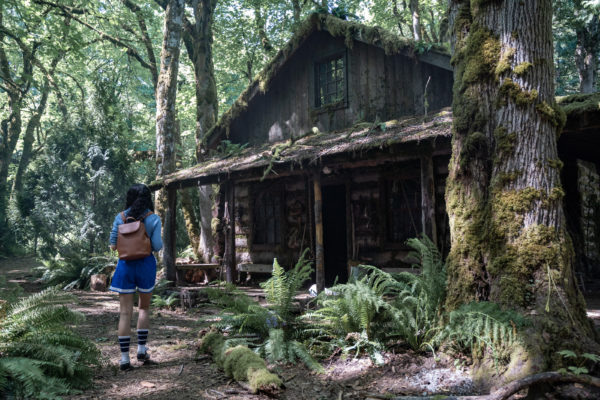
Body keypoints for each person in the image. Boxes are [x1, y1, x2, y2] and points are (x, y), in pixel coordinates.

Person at [109, 183, 162, 371]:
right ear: (148, 199)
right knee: (144, 308)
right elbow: (157, 246)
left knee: (124, 313)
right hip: (146, 266)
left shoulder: (120, 217)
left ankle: (124, 359)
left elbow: (113, 245)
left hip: (125, 268)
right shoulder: (153, 218)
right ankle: (141, 349)